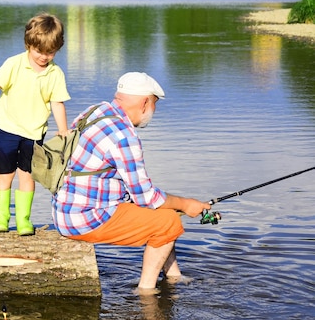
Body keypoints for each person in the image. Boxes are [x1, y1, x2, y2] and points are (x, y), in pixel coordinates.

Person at [52, 72, 210, 291]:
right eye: (155, 104)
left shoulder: (97, 111)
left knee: (166, 214)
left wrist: (174, 205)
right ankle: (146, 291)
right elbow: (146, 196)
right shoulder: (124, 135)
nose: (154, 111)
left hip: (65, 209)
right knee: (169, 223)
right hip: (85, 218)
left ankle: (174, 277)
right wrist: (186, 204)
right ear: (145, 102)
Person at [0, 12, 71, 236]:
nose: (44, 56)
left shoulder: (55, 73)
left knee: (27, 175)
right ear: (28, 44)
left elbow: (57, 103)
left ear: (57, 49)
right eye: (39, 51)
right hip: (7, 128)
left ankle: (23, 221)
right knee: (5, 175)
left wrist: (62, 129)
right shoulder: (14, 63)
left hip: (34, 133)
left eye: (50, 52)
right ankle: (1, 220)